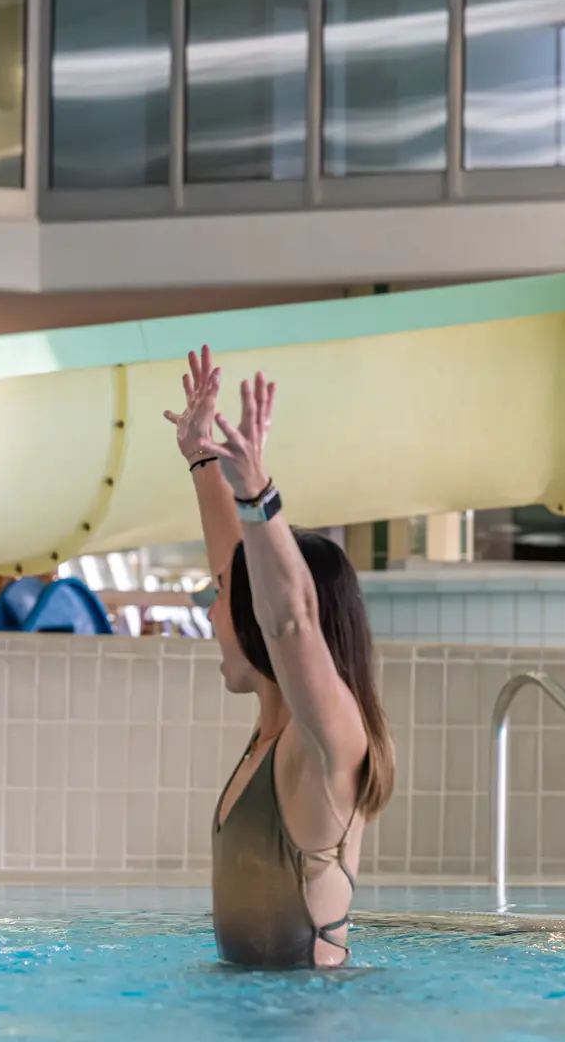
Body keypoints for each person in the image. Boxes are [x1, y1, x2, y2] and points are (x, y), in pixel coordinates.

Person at [165, 347, 395, 969]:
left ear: (262, 624)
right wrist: (202, 459)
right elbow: (235, 571)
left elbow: (292, 620)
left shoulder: (325, 745)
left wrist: (259, 496)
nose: (212, 612)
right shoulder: (275, 731)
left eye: (224, 603)